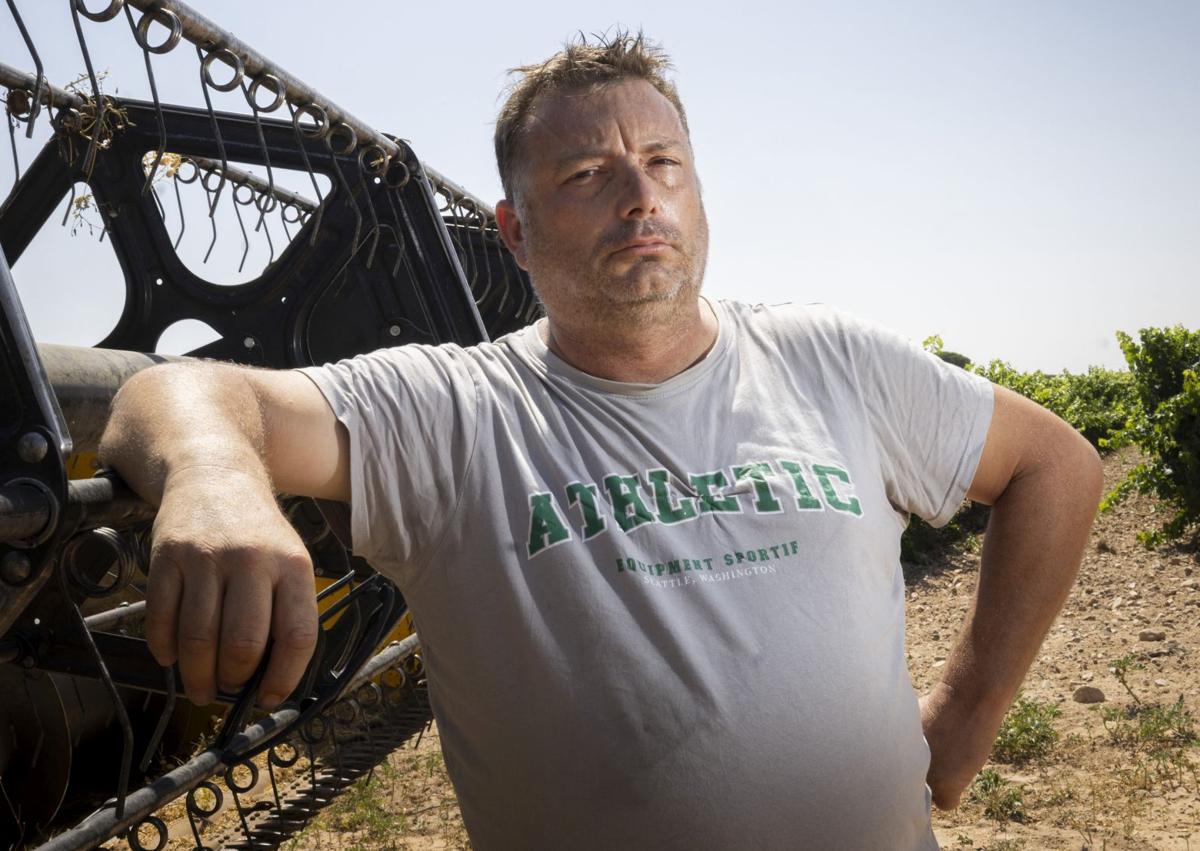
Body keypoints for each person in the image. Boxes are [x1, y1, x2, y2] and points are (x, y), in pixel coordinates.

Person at [100, 32, 1103, 851]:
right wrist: (216, 476)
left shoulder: (833, 358)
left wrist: (965, 720)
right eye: (588, 172)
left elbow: (1054, 464)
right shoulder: (457, 412)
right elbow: (170, 390)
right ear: (515, 231)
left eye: (664, 162)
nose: (641, 195)